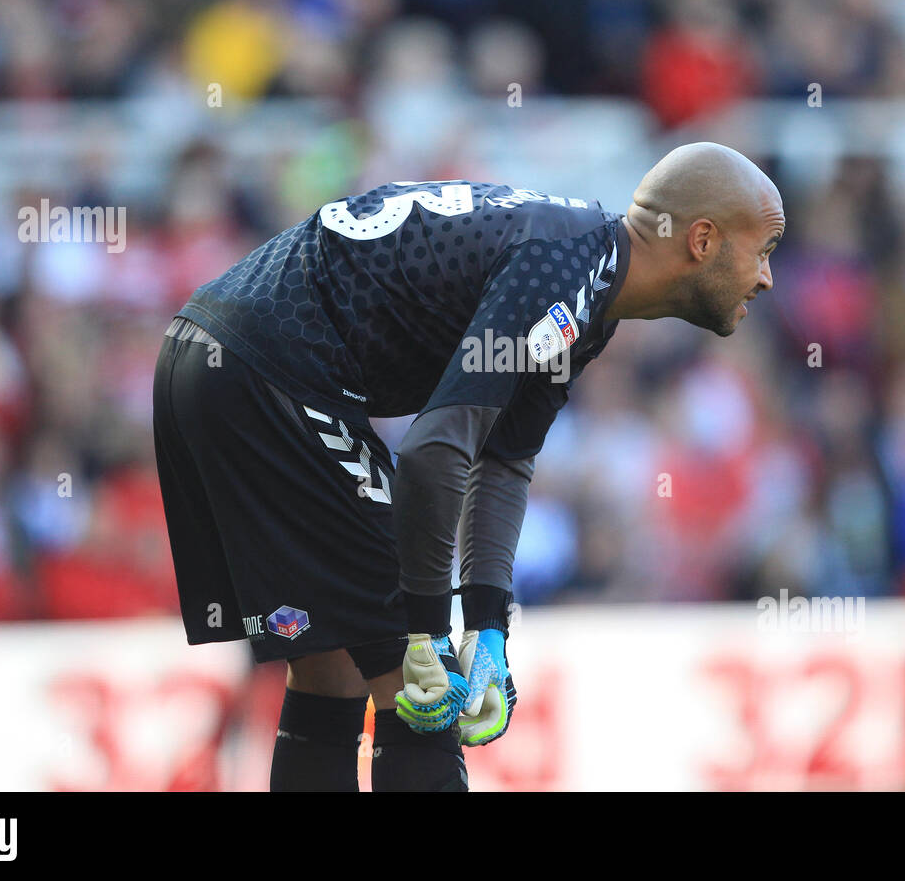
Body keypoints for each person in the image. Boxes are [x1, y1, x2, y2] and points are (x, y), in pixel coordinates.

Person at [152, 142, 784, 791]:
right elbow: (434, 450)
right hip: (268, 371)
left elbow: (503, 461)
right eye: (762, 250)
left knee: (333, 666)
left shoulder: (583, 275)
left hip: (205, 355)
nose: (766, 278)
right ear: (702, 239)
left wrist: (487, 623)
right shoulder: (567, 271)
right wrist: (427, 630)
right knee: (420, 694)